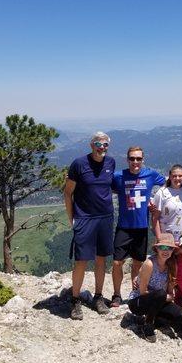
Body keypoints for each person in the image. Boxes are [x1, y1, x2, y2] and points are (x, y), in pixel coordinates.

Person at [64, 131, 114, 320]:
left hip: (105, 217)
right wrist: (72, 219)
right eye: (98, 144)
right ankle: (75, 300)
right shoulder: (79, 164)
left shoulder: (111, 163)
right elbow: (68, 193)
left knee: (101, 259)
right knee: (81, 261)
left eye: (105, 145)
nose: (102, 148)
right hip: (85, 218)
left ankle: (98, 297)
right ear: (91, 145)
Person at [110, 146, 165, 307]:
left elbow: (167, 184)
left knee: (137, 263)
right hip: (123, 226)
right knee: (117, 262)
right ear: (127, 159)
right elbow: (103, 183)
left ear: (143, 160)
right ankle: (116, 294)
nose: (135, 161)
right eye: (132, 158)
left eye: (138, 158)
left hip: (141, 227)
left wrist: (155, 201)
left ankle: (134, 293)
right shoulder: (118, 176)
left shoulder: (151, 174)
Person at [127, 233, 182, 343]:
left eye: (169, 248)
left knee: (180, 315)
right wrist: (164, 297)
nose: (166, 251)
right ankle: (148, 323)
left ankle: (156, 317)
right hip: (138, 302)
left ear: (173, 250)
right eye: (162, 247)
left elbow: (170, 293)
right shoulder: (149, 264)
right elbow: (142, 291)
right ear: (157, 249)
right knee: (161, 294)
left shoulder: (171, 265)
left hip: (158, 299)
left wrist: (168, 295)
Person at [151, 164, 182, 243]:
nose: (177, 178)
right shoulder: (162, 193)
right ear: (170, 176)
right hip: (166, 239)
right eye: (174, 176)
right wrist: (159, 238)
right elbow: (155, 218)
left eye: (180, 176)